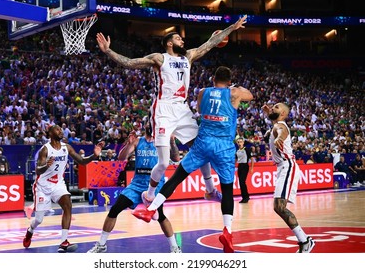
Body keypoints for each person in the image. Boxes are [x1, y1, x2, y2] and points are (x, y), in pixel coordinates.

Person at [96, 15, 247, 204]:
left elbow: (210, 44)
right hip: (163, 110)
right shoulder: (159, 58)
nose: (182, 40)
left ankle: (210, 191)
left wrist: (232, 28)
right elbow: (129, 63)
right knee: (164, 162)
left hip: (182, 109)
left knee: (202, 148)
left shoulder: (188, 57)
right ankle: (149, 195)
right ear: (168, 43)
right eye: (178, 38)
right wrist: (108, 51)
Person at [132, 66, 253, 253]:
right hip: (224, 147)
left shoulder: (203, 92)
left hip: (203, 142)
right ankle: (227, 230)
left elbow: (198, 108)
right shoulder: (234, 93)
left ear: (213, 78)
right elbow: (250, 96)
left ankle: (151, 208)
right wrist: (232, 87)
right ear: (229, 82)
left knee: (177, 177)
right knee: (227, 190)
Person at [87, 125, 182, 253]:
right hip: (137, 183)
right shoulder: (138, 141)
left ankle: (175, 248)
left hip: (154, 183)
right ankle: (101, 245)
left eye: (152, 122)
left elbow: (176, 158)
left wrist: (171, 141)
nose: (150, 125)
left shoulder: (162, 140)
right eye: (149, 123)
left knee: (160, 215)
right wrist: (128, 145)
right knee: (115, 209)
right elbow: (121, 158)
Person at [23, 125, 104, 253]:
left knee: (68, 204)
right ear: (50, 133)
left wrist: (94, 155)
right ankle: (30, 230)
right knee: (39, 219)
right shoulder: (46, 149)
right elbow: (38, 170)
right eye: (57, 129)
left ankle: (63, 242)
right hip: (42, 186)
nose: (60, 131)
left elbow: (82, 161)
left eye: (61, 130)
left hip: (58, 184)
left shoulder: (67, 147)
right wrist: (46, 166)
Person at [261, 102, 315, 253]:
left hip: (287, 166)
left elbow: (281, 130)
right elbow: (276, 125)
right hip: (282, 167)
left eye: (276, 107)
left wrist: (279, 138)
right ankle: (305, 240)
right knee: (278, 207)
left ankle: (305, 241)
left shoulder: (282, 126)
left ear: (283, 114)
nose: (272, 108)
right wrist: (269, 115)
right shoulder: (276, 123)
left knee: (279, 207)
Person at [235, 138, 254, 203]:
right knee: (241, 182)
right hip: (239, 166)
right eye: (238, 142)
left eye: (240, 142)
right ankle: (244, 197)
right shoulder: (237, 151)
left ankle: (246, 197)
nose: (239, 143)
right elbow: (236, 159)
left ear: (243, 142)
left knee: (242, 182)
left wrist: (251, 168)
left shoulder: (246, 150)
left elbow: (251, 159)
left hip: (245, 166)